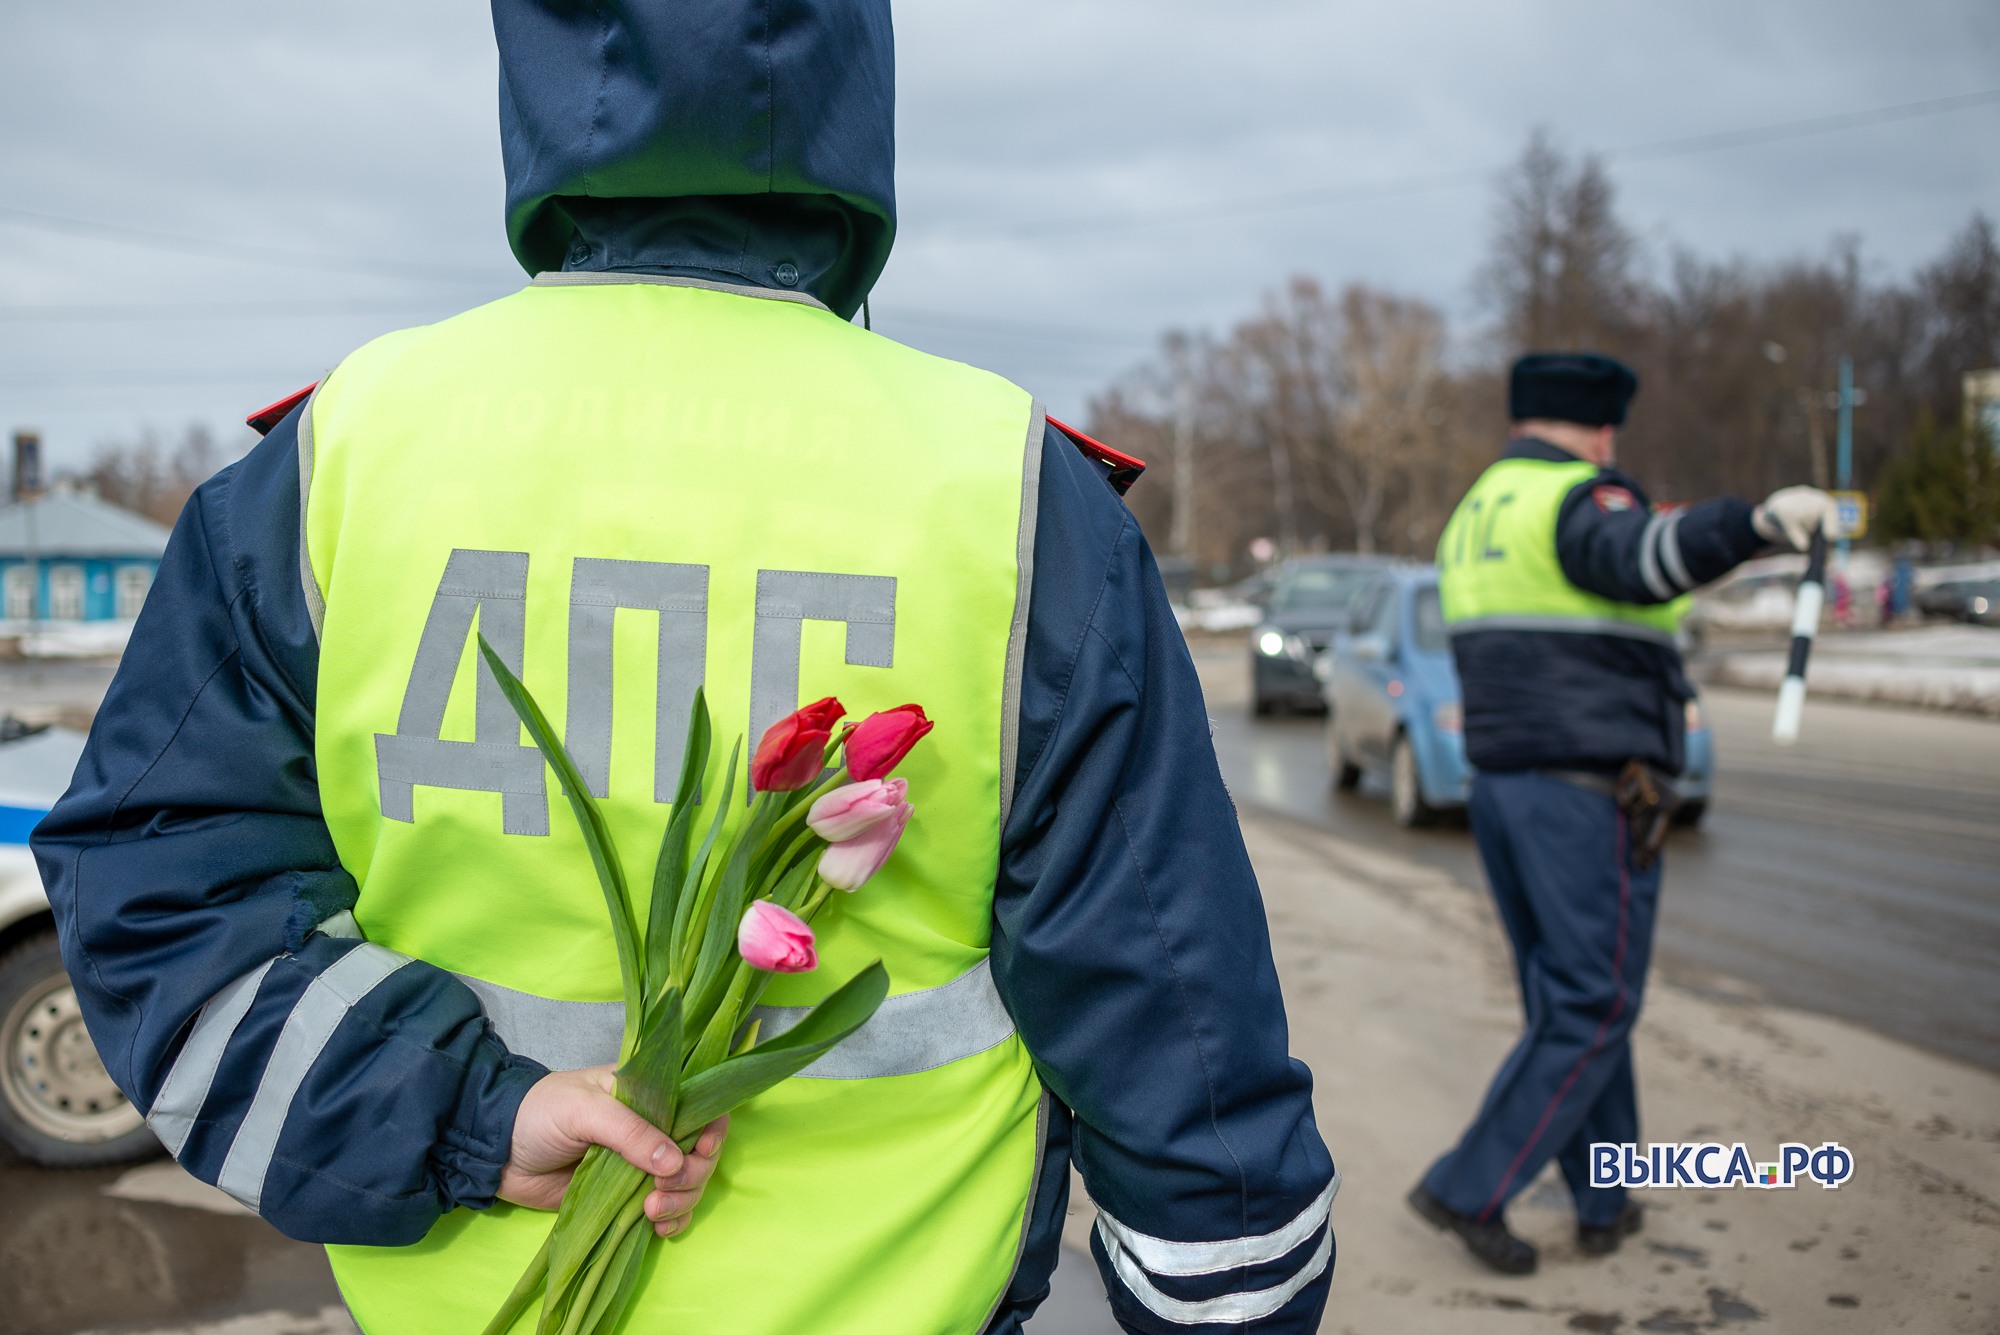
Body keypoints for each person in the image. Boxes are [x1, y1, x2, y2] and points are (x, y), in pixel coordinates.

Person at [32, 3, 1335, 1333]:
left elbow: (164, 894)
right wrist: (1233, 1299)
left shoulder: (341, 455)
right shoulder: (1006, 485)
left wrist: (481, 1116)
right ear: (852, 91)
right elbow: (1168, 994)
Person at [1408, 353, 1836, 1274]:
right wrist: (1757, 523)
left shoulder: (1479, 509)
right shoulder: (1579, 499)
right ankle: (1467, 1187)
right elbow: (1644, 557)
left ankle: (1604, 1196)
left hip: (1505, 787)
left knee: (1567, 1001)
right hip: (1585, 793)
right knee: (1595, 1003)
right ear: (1602, 427)